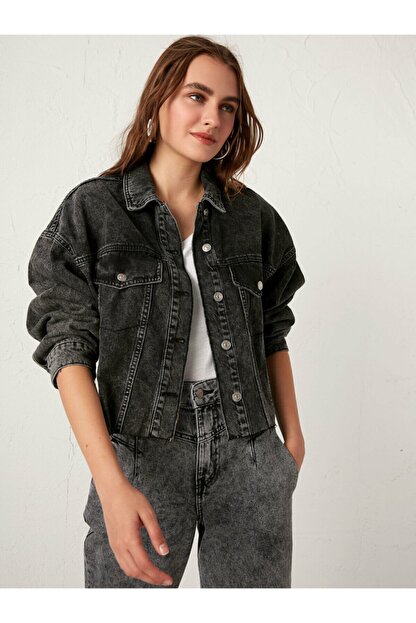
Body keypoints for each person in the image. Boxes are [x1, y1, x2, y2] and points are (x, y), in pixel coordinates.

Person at [26, 35, 306, 588]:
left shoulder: (254, 219)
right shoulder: (94, 210)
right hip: (140, 452)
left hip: (249, 450)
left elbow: (273, 329)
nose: (213, 118)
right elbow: (67, 346)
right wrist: (111, 484)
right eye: (196, 97)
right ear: (159, 101)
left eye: (228, 106)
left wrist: (290, 443)